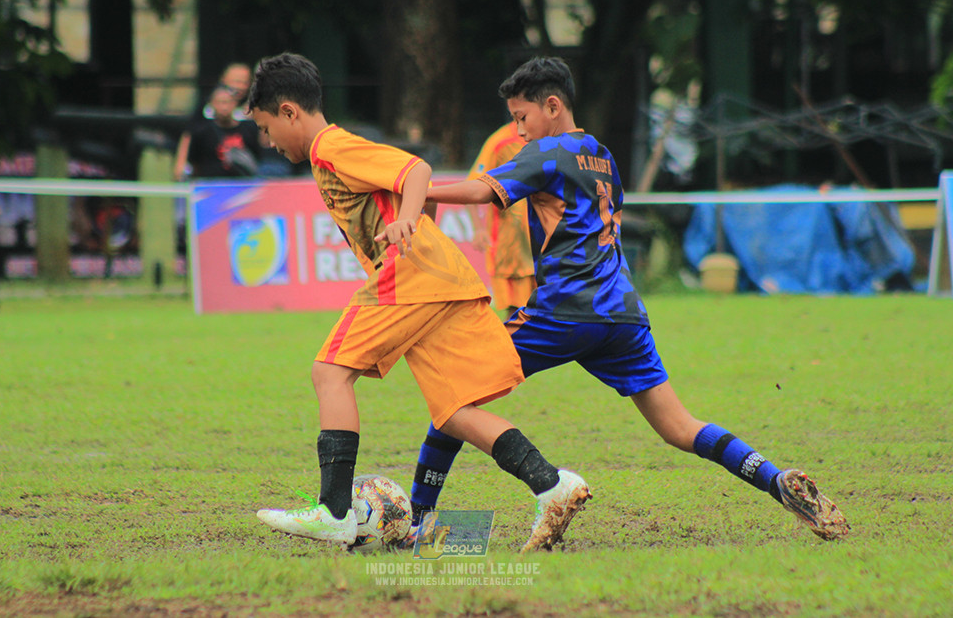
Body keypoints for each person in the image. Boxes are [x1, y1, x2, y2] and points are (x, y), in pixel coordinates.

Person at [406, 57, 849, 545]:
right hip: (623, 313)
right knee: (680, 427)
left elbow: (483, 190)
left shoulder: (547, 151)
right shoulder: (603, 155)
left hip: (566, 310)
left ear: (552, 106)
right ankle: (775, 478)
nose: (518, 129)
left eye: (521, 117)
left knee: (453, 398)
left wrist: (421, 189)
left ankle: (421, 523)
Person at [245, 51, 590, 552]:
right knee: (453, 412)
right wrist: (414, 217)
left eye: (267, 126)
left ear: (289, 112)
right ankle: (552, 484)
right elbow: (412, 187)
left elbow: (415, 169)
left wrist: (407, 221)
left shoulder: (330, 147)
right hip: (444, 278)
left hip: (409, 278)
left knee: (329, 373)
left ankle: (334, 511)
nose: (269, 141)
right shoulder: (329, 152)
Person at [466, 123, 535, 318]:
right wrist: (478, 229)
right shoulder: (500, 141)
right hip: (511, 250)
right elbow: (472, 185)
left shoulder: (551, 139)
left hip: (546, 247)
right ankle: (512, 348)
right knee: (517, 314)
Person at [172, 85, 263, 181]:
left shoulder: (249, 129)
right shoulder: (202, 132)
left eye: (227, 102)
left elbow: (257, 156)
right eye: (219, 103)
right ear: (212, 105)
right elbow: (194, 162)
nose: (224, 107)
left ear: (235, 104)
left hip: (241, 185)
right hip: (211, 185)